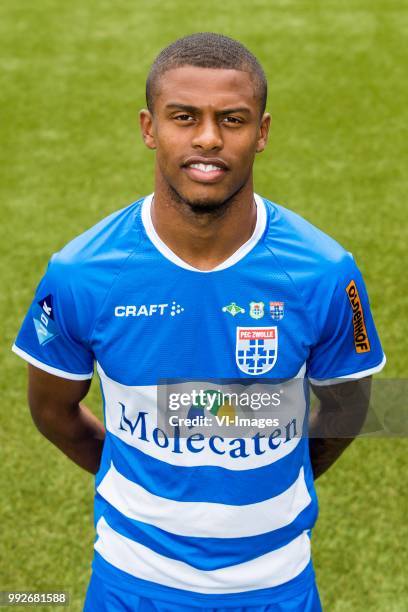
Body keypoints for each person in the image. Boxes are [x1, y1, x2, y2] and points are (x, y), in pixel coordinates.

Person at [12, 33, 386, 612]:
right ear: (148, 128)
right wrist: (132, 477)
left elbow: (350, 406)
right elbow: (51, 410)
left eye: (231, 119)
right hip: (129, 587)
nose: (208, 138)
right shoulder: (82, 273)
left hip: (277, 588)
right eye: (183, 117)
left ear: (261, 133)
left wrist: (276, 479)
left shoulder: (325, 272)